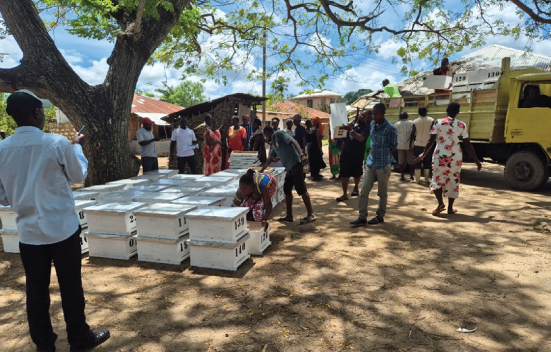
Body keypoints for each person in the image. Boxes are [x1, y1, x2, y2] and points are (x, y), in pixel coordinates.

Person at [0, 90, 109, 352]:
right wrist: (77, 147)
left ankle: (44, 344)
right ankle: (80, 339)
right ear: (37, 113)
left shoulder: (1, 149)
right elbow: (78, 175)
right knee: (71, 287)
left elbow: (2, 197)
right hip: (62, 230)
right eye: (43, 112)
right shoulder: (57, 144)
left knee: (36, 293)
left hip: (28, 233)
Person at [414, 102, 482, 215]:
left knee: (437, 179)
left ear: (446, 110)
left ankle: (440, 203)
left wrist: (423, 154)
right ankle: (450, 208)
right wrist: (476, 161)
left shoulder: (438, 122)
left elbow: (431, 140)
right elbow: (468, 145)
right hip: (456, 156)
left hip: (440, 155)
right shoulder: (462, 125)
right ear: (458, 112)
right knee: (453, 180)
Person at [351, 103, 397, 226]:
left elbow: (393, 146)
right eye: (373, 113)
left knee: (382, 193)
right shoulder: (371, 124)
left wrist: (384, 155)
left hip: (383, 164)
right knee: (364, 191)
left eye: (377, 114)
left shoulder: (390, 128)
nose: (374, 116)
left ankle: (379, 216)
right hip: (371, 163)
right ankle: (362, 217)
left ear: (383, 113)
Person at [260, 126, 316, 224]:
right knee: (287, 189)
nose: (265, 138)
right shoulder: (274, 144)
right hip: (289, 168)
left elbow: (293, 141)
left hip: (295, 164)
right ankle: (289, 215)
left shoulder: (279, 134)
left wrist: (302, 155)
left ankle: (311, 214)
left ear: (268, 133)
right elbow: (269, 159)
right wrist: (260, 170)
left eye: (265, 135)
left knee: (301, 188)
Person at [336, 110, 370, 202]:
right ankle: (345, 194)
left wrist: (350, 130)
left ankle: (355, 188)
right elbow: (345, 137)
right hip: (346, 152)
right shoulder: (351, 123)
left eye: (364, 116)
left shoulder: (366, 127)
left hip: (357, 153)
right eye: (361, 114)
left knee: (357, 173)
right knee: (344, 173)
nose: (361, 116)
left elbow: (360, 138)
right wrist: (339, 134)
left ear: (367, 118)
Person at [410, 107, 434, 183]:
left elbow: (412, 133)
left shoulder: (415, 121)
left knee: (417, 161)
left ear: (418, 112)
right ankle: (426, 179)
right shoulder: (431, 120)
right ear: (426, 111)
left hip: (418, 144)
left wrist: (411, 143)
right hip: (428, 144)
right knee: (427, 161)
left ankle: (417, 179)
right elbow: (434, 132)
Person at [394, 111, 415, 181]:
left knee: (401, 161)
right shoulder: (412, 123)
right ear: (407, 116)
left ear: (399, 117)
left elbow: (395, 134)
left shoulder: (396, 124)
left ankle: (402, 175)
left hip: (400, 145)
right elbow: (413, 133)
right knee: (411, 161)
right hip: (409, 145)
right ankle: (411, 175)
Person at [309, 116, 326, 180]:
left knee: (317, 160)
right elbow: (318, 141)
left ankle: (317, 174)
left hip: (313, 148)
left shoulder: (315, 130)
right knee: (315, 161)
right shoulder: (318, 130)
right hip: (315, 148)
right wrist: (320, 150)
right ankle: (315, 176)